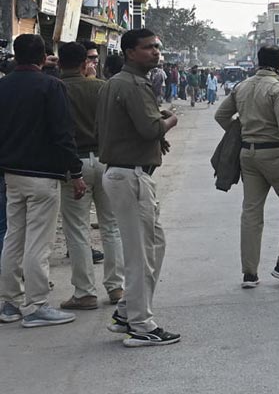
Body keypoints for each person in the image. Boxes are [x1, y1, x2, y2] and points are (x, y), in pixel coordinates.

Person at [97, 28, 180, 347]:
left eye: (157, 47)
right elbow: (149, 129)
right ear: (130, 52)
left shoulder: (115, 83)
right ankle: (141, 324)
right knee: (141, 253)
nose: (155, 52)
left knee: (154, 245)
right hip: (129, 176)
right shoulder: (133, 84)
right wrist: (169, 122)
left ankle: (126, 311)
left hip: (125, 172)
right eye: (148, 48)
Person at [0, 34, 86, 328]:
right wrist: (76, 173)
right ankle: (36, 305)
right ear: (42, 57)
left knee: (13, 237)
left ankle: (9, 303)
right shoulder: (52, 86)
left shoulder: (4, 86)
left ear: (15, 56)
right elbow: (63, 134)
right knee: (38, 242)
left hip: (12, 174)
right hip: (43, 177)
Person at [215, 45, 279, 288]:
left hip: (247, 155)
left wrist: (242, 129)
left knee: (251, 212)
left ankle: (249, 273)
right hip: (274, 154)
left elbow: (221, 116)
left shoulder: (243, 86)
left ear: (258, 61)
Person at [57, 42, 125, 311]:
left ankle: (85, 292)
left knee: (77, 230)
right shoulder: (101, 87)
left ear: (60, 63)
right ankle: (116, 287)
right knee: (111, 226)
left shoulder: (57, 88)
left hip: (74, 164)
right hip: (106, 160)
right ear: (85, 62)